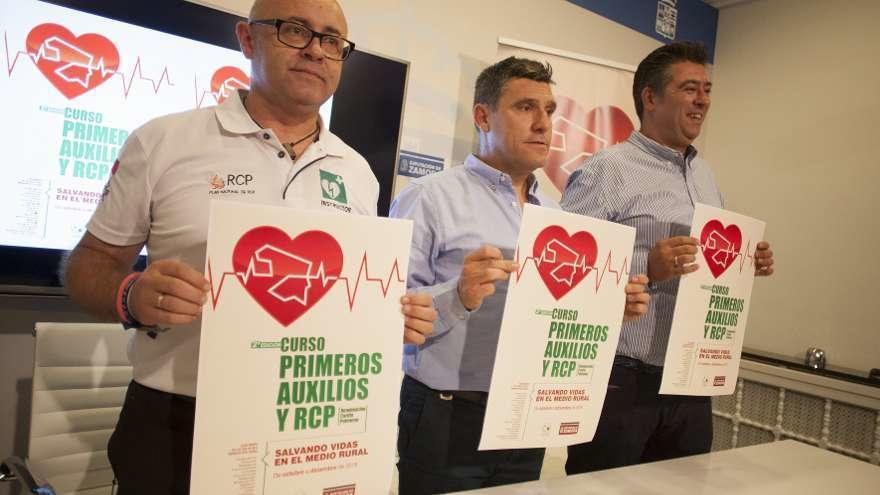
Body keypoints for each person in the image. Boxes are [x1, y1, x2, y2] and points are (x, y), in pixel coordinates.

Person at [63, 1, 436, 493]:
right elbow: (87, 266)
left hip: (309, 424)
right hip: (177, 423)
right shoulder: (163, 141)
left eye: (331, 41)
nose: (315, 51)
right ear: (247, 39)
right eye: (294, 31)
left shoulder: (358, 172)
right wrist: (130, 294)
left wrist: (398, 316)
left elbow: (351, 298)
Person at [391, 56, 651, 494]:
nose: (543, 123)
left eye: (549, 111)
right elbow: (388, 315)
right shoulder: (429, 197)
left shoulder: (557, 215)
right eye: (525, 107)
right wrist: (458, 294)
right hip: (447, 416)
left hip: (526, 416)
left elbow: (556, 317)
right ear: (482, 115)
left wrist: (607, 308)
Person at [561, 41, 776, 474]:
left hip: (691, 375)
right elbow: (568, 275)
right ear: (650, 97)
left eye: (707, 90)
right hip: (622, 380)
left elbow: (705, 266)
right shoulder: (607, 170)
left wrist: (743, 261)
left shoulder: (705, 174)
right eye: (690, 88)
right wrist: (648, 269)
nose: (703, 101)